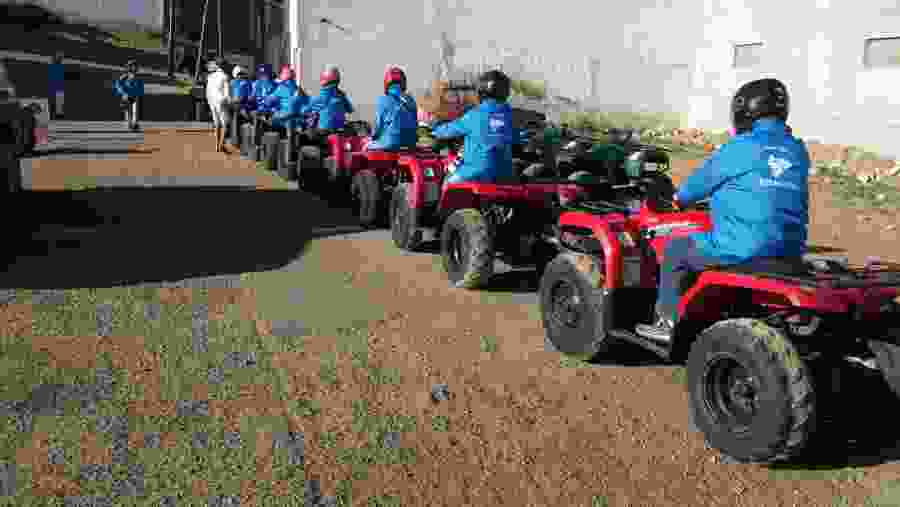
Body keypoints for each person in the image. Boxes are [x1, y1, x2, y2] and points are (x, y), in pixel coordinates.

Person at [635, 78, 810, 342]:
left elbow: (688, 193)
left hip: (743, 247)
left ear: (744, 110)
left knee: (675, 250)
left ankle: (665, 323)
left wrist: (677, 201)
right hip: (790, 250)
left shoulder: (739, 147)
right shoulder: (797, 150)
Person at [430, 69, 520, 184]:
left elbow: (448, 130)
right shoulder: (510, 115)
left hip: (475, 173)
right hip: (504, 175)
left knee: (447, 183)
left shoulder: (475, 114)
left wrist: (433, 132)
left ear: (481, 91)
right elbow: (516, 138)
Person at [366, 66, 418, 151]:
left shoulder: (383, 99)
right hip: (410, 143)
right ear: (403, 82)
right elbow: (415, 124)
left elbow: (378, 126)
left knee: (366, 145)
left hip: (391, 143)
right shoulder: (411, 100)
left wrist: (373, 137)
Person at [300, 65, 354, 131]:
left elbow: (304, 110)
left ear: (324, 79)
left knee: (307, 135)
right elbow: (350, 110)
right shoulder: (341, 95)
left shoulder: (320, 97)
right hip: (340, 129)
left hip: (324, 130)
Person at [205, 57, 231, 152]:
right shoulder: (225, 76)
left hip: (212, 101)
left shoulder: (210, 76)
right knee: (225, 124)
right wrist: (229, 102)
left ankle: (216, 145)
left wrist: (209, 102)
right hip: (221, 101)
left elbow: (207, 91)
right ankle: (221, 145)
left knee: (216, 124)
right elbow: (227, 93)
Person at [113, 60, 144, 131]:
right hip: (127, 96)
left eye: (135, 66)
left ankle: (135, 123)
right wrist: (123, 93)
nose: (134, 68)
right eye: (132, 66)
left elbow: (140, 86)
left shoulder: (138, 77)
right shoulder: (125, 76)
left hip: (135, 96)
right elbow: (118, 84)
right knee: (128, 111)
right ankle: (129, 124)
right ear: (129, 67)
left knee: (135, 110)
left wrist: (140, 93)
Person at [47, 52, 65, 120]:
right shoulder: (53, 66)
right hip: (55, 88)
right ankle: (55, 115)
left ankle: (57, 115)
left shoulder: (59, 66)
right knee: (55, 104)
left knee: (58, 105)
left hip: (58, 88)